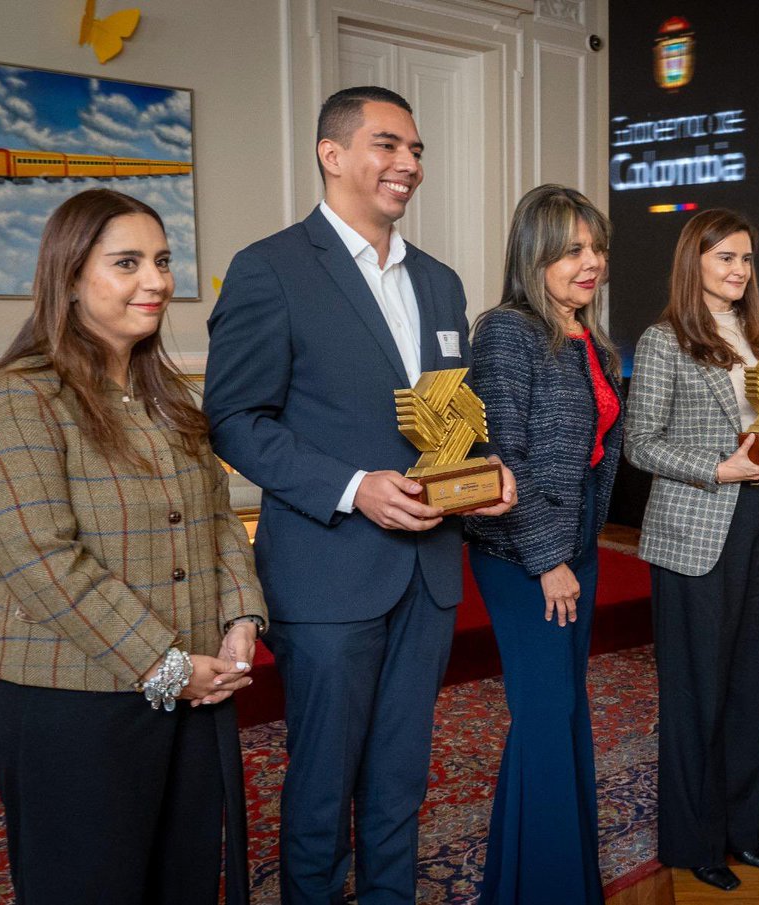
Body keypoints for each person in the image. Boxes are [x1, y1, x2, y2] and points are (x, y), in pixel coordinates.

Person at [203, 86, 515, 903]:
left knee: (401, 774)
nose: (408, 164)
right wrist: (352, 487)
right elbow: (235, 418)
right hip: (328, 572)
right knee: (321, 781)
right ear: (331, 153)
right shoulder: (269, 267)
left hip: (429, 573)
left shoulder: (442, 284)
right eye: (388, 145)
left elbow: (448, 415)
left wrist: (483, 471)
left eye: (416, 150)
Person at [0, 188, 266, 905]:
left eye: (161, 260)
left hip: (192, 694)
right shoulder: (17, 399)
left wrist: (241, 619)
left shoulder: (170, 401)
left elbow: (217, 522)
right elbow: (43, 564)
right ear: (67, 279)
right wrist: (165, 666)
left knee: (183, 882)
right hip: (71, 708)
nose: (156, 281)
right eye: (127, 262)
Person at [624, 209, 759, 892]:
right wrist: (717, 466)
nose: (739, 269)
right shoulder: (665, 338)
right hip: (699, 527)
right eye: (725, 257)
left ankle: (742, 830)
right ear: (693, 262)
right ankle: (693, 841)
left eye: (745, 258)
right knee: (697, 692)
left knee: (753, 686)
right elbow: (639, 443)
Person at [464, 184, 622, 905]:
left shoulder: (590, 334)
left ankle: (543, 882)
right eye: (572, 250)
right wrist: (549, 559)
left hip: (576, 546)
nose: (591, 263)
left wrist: (575, 550)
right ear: (536, 255)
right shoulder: (506, 330)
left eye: (596, 248)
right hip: (526, 558)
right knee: (545, 714)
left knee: (561, 712)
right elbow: (504, 454)